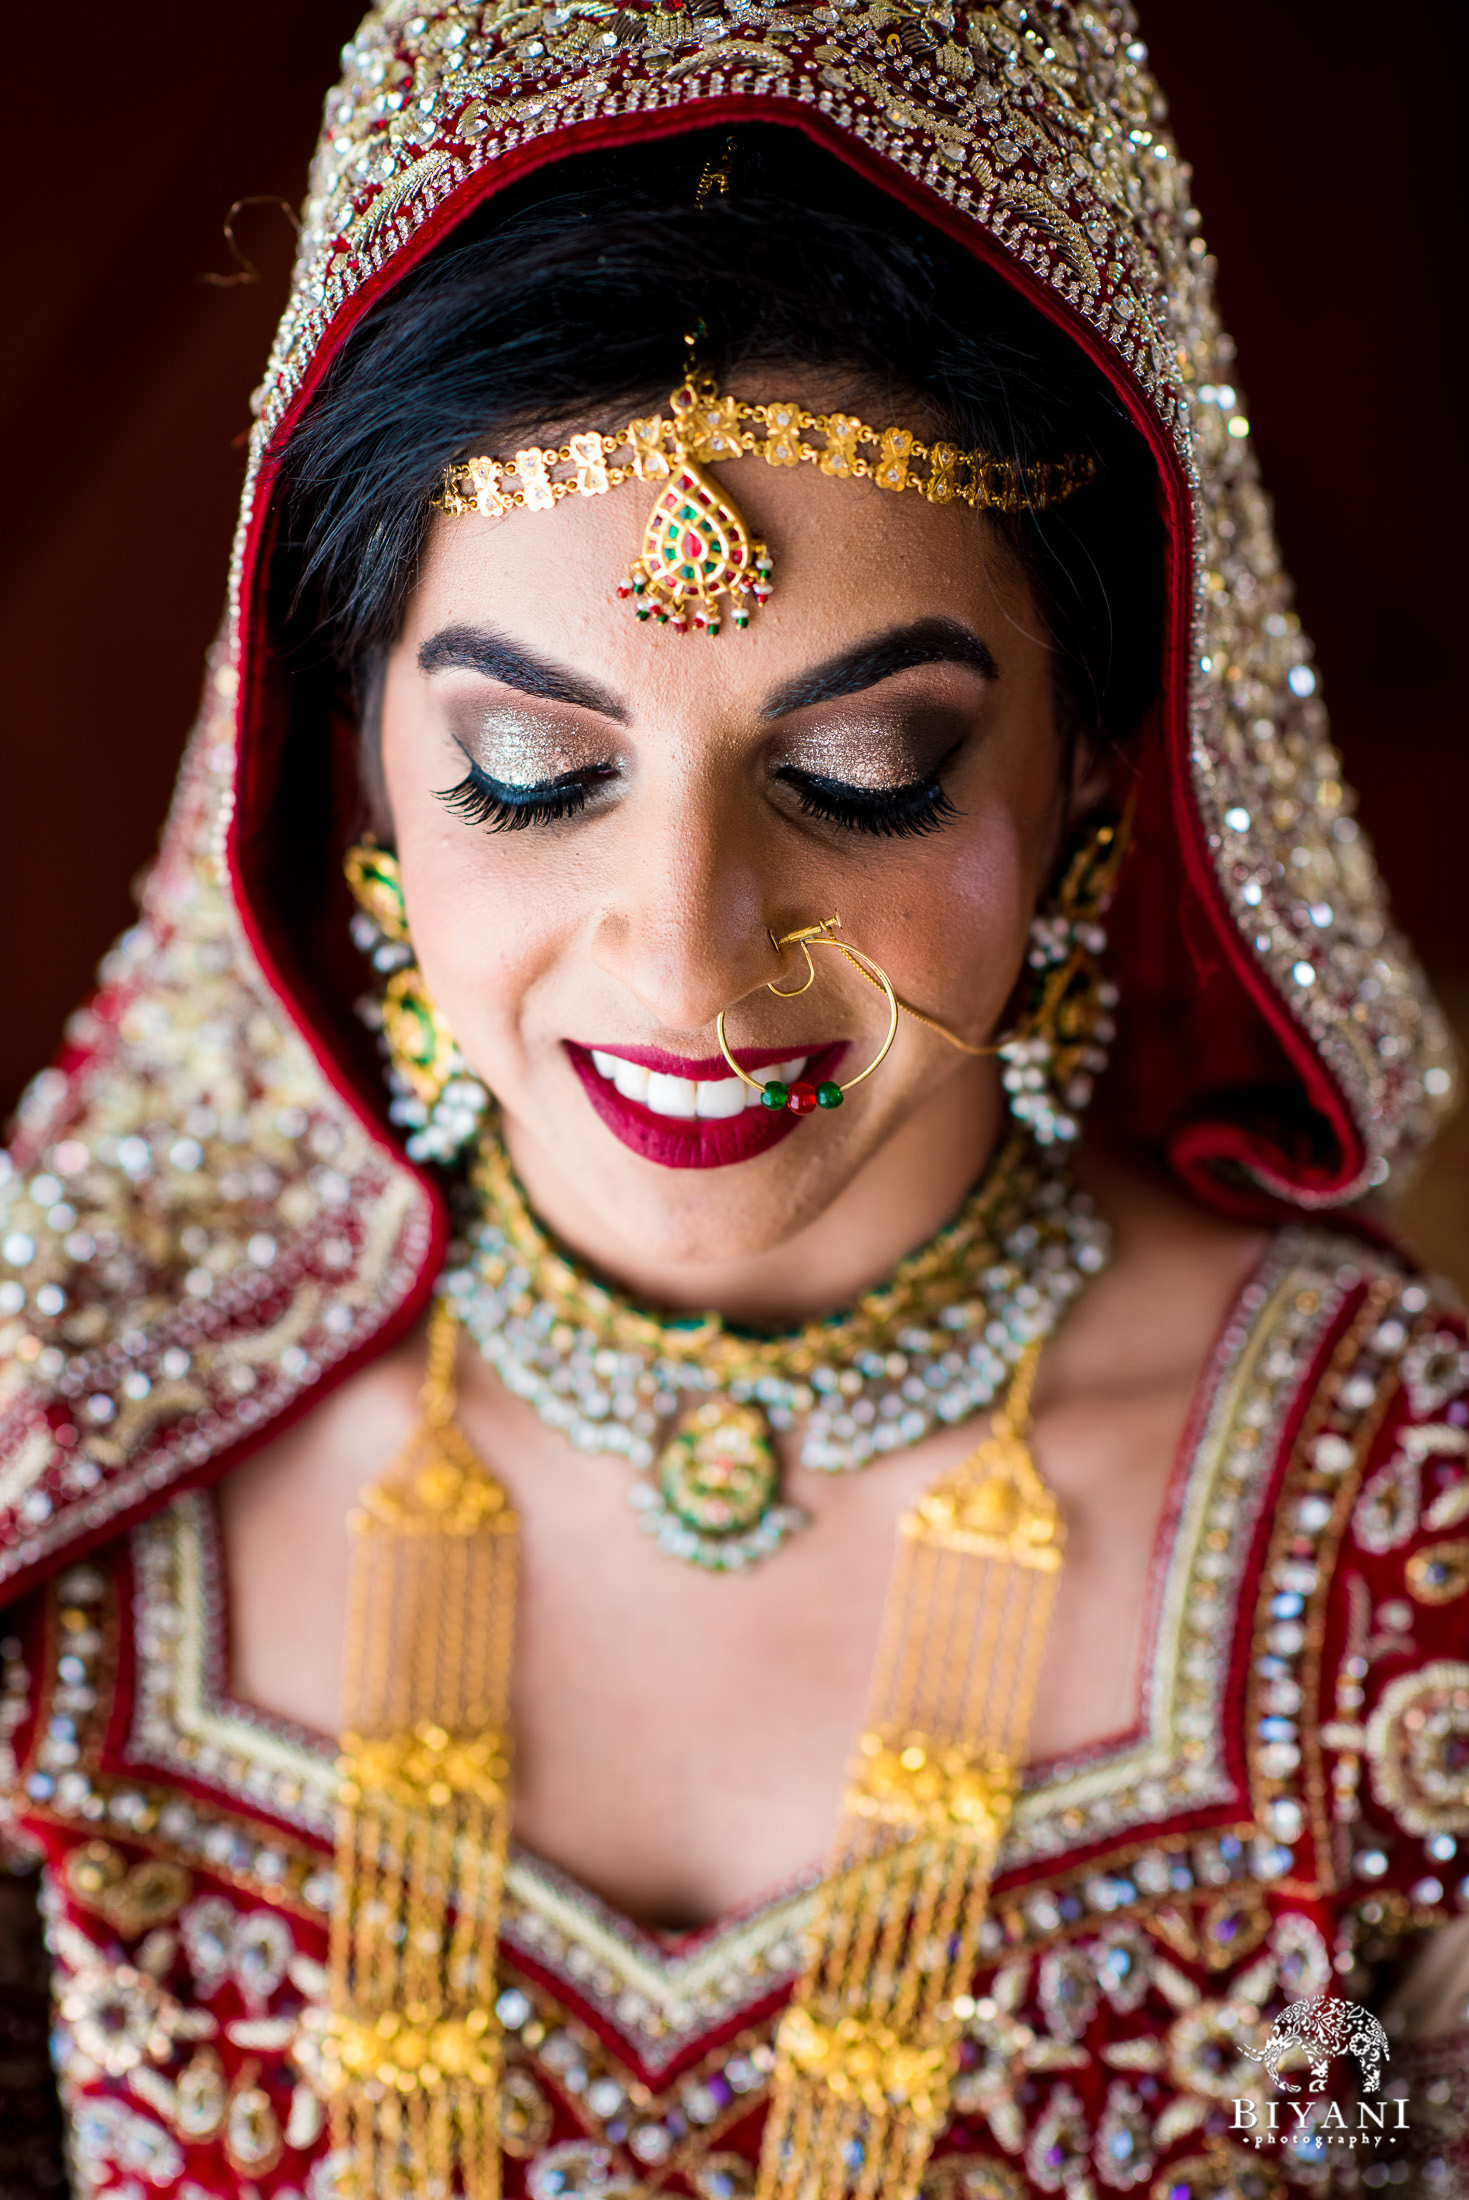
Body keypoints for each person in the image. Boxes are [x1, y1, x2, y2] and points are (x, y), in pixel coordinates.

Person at [2, 5, 1466, 2196]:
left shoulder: (1397, 1538)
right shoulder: (68, 1507)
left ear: (1096, 749)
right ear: (349, 754)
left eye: (864, 778)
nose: (690, 955)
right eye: (533, 773)